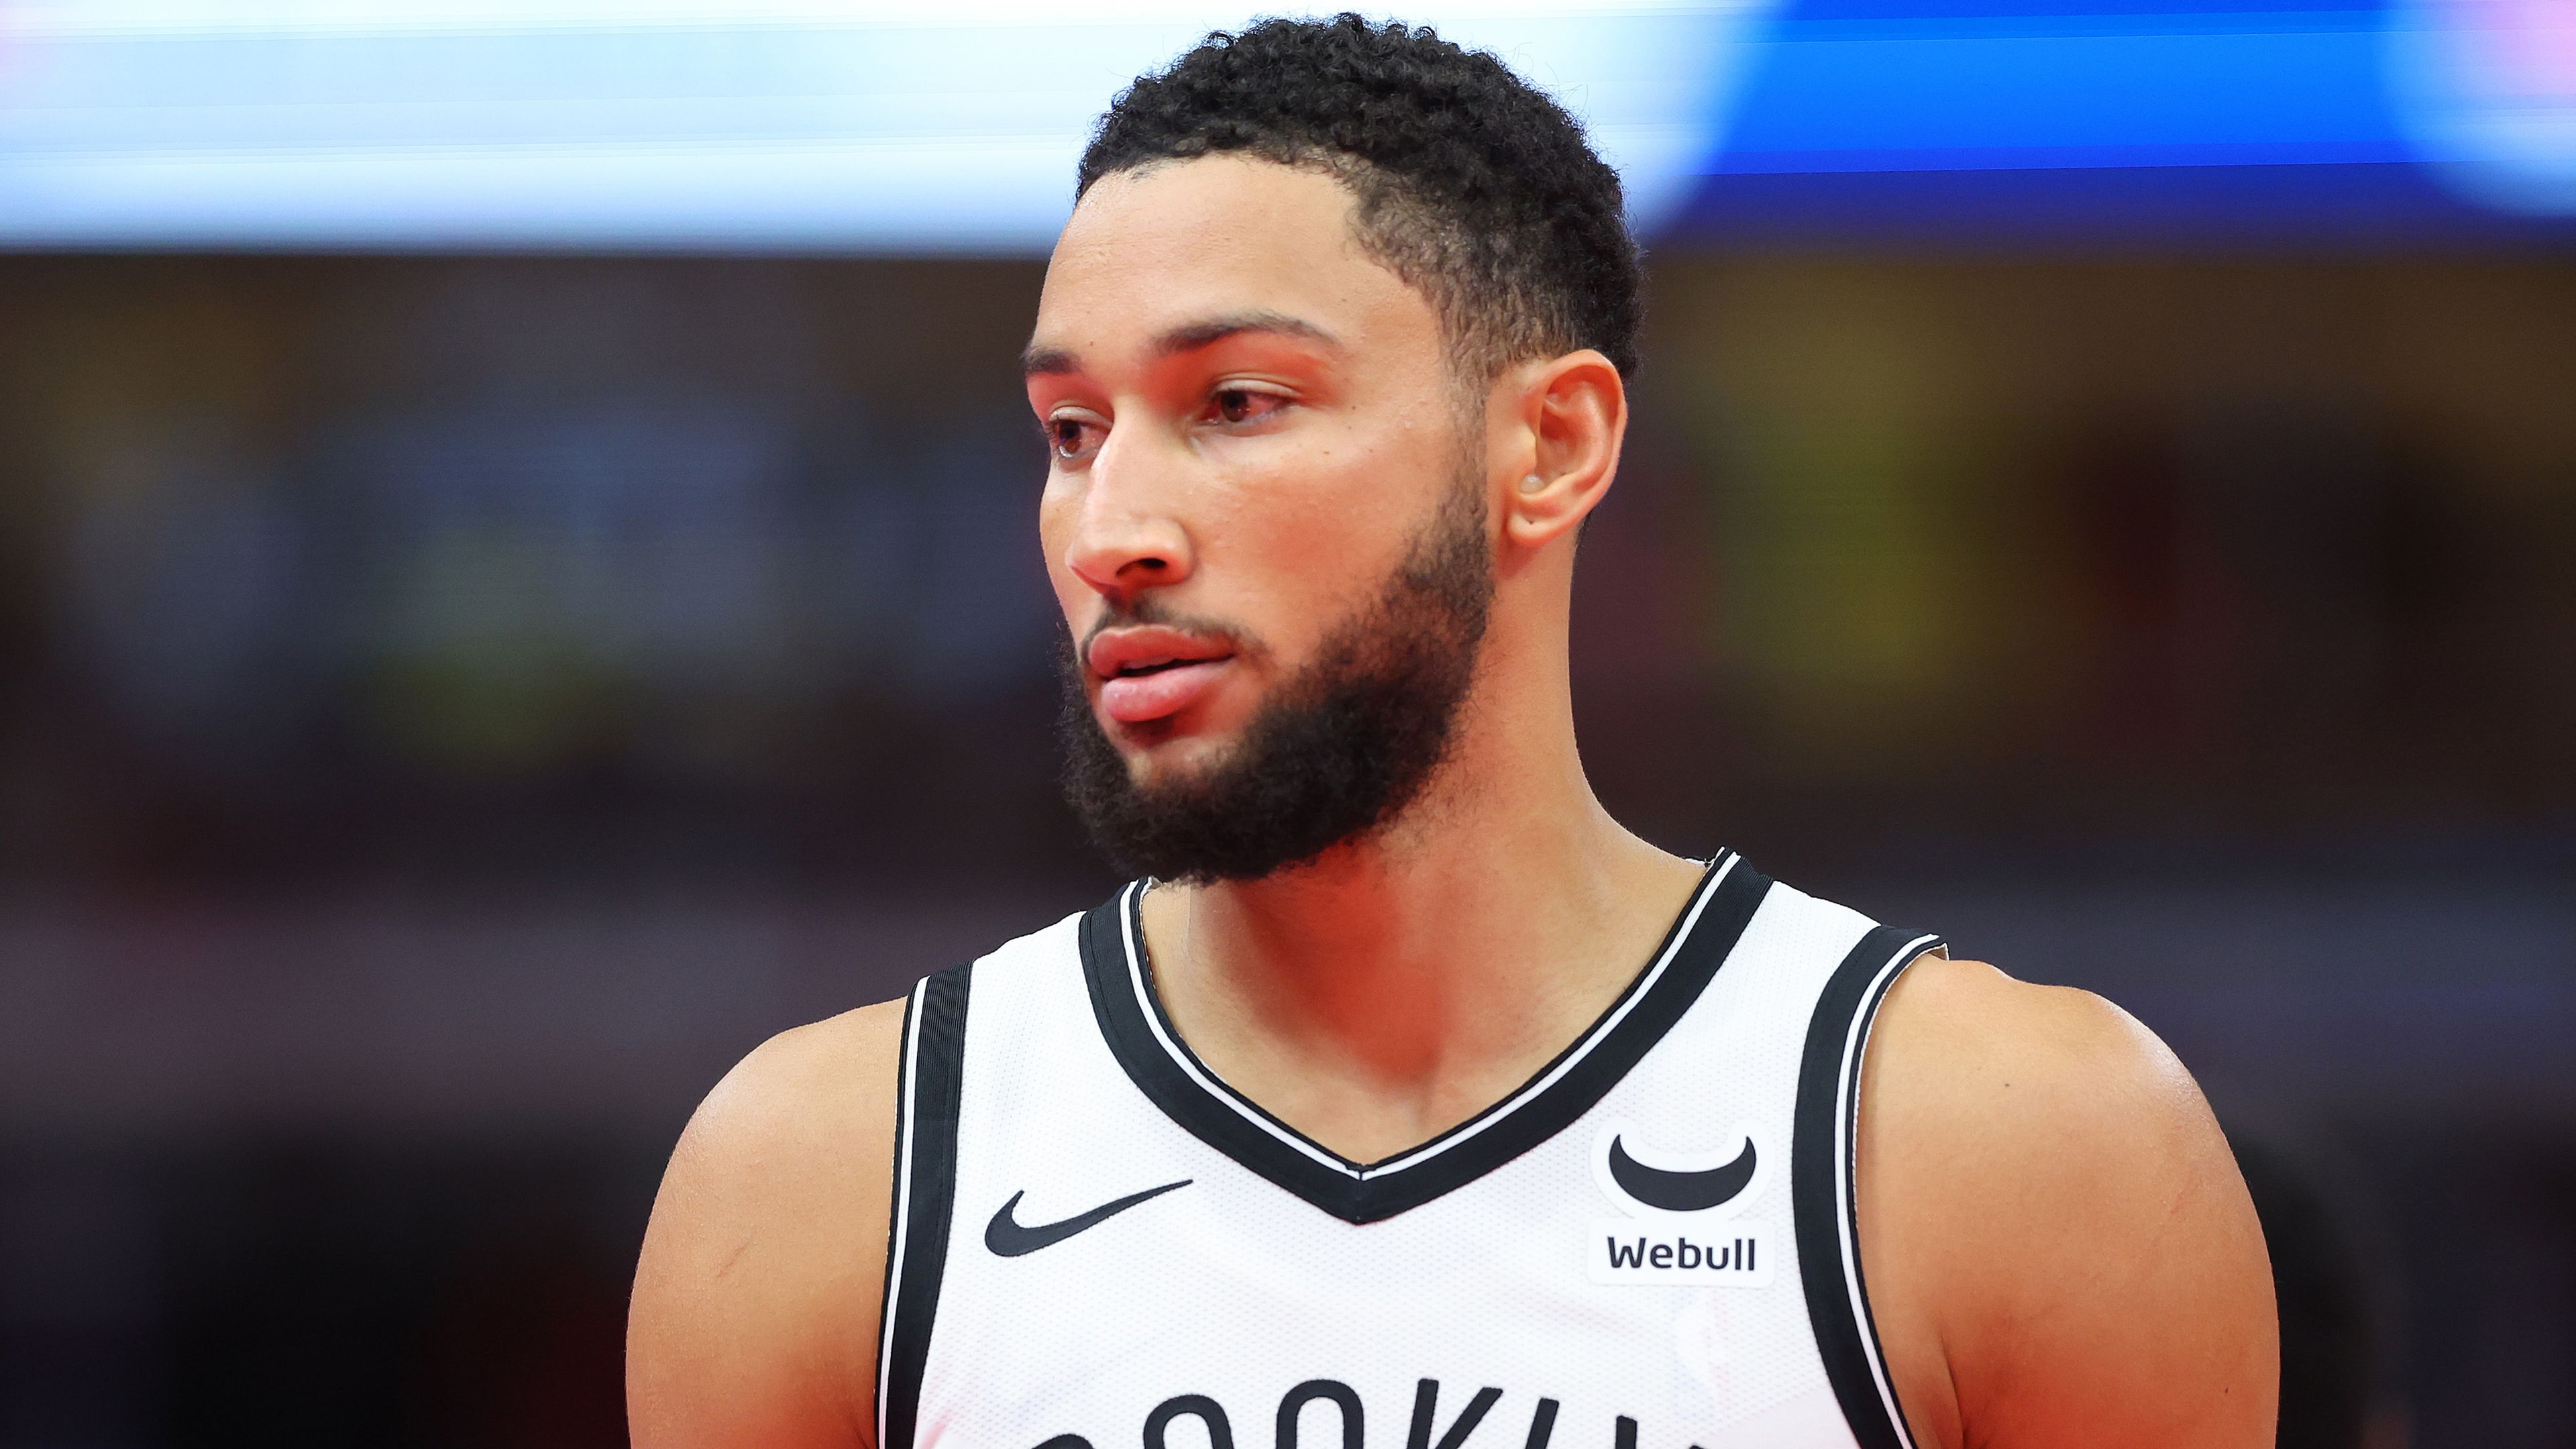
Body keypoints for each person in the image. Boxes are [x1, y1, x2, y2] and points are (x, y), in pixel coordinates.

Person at [627, 17, 2277, 1449]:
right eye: (1072, 429)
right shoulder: (820, 1188)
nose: (1107, 526)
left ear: (1550, 446)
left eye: (1237, 405)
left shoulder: (2016, 1148)